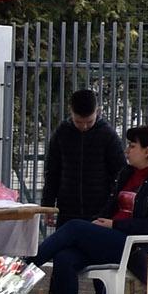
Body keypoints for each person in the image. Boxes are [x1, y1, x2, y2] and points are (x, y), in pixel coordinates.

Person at [34, 123, 148, 294]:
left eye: (132, 146)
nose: (127, 150)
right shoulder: (127, 174)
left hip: (135, 247)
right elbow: (110, 208)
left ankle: (24, 267)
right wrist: (100, 223)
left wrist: (115, 225)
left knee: (74, 227)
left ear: (147, 151)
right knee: (65, 258)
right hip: (111, 240)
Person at [41, 88, 126, 227]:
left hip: (99, 210)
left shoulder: (107, 135)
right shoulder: (62, 133)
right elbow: (52, 172)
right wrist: (48, 205)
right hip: (67, 209)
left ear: (97, 112)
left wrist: (113, 206)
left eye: (89, 121)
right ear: (71, 112)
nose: (84, 126)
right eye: (78, 122)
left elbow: (120, 172)